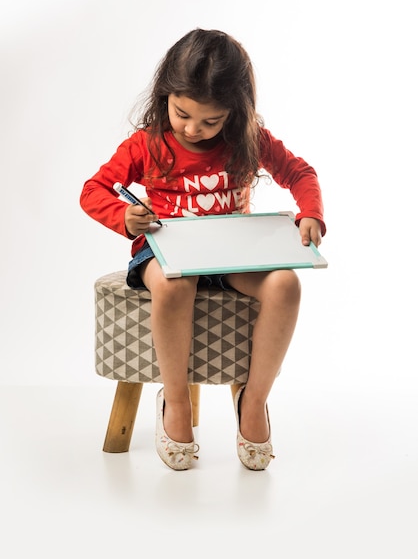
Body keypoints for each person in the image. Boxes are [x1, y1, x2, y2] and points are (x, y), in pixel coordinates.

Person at [80, 28, 326, 471]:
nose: (193, 129)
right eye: (182, 114)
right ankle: (174, 402)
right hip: (165, 253)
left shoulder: (248, 138)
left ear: (235, 111)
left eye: (211, 121)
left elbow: (300, 173)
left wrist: (310, 212)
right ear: (164, 97)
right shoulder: (149, 143)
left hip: (232, 257)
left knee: (286, 284)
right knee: (175, 286)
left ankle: (254, 401)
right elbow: (93, 190)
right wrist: (124, 217)